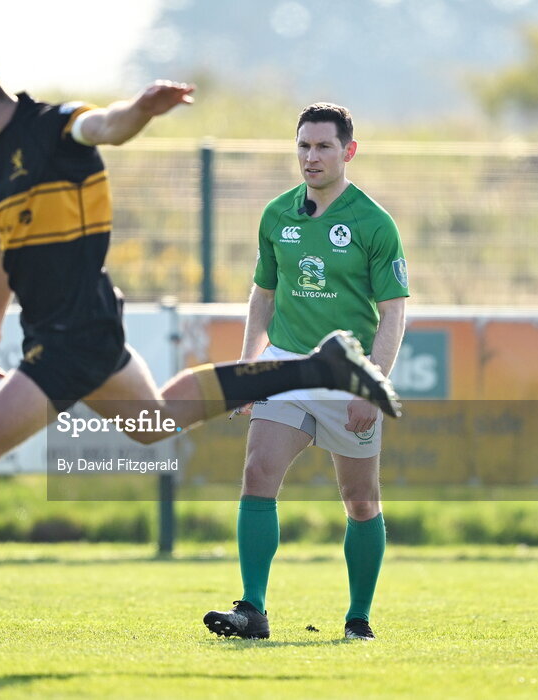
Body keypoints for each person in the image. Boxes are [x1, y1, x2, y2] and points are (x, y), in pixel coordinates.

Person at [0, 54, 401, 667]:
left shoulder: (52, 126)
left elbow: (105, 126)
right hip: (68, 331)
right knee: (154, 424)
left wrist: (141, 111)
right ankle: (315, 368)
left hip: (74, 337)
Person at [202, 103, 409, 643]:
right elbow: (262, 295)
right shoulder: (277, 215)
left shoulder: (374, 222)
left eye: (322, 146)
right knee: (256, 474)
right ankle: (252, 609)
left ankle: (358, 617)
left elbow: (393, 312)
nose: (310, 157)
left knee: (360, 500)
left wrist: (374, 382)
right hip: (286, 366)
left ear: (348, 151)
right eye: (303, 146)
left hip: (348, 375)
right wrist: (250, 364)